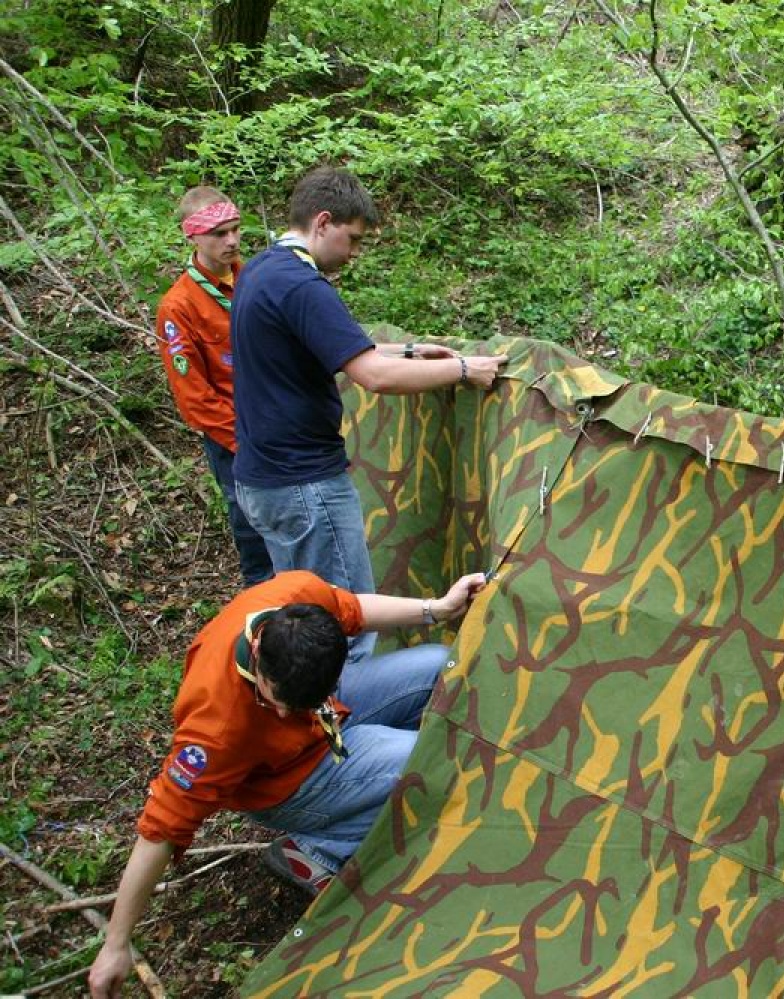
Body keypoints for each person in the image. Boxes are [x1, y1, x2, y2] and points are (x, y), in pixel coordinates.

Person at [86, 569, 487, 998]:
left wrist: (436, 609)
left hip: (327, 717)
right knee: (426, 761)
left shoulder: (297, 599)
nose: (280, 714)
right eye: (273, 700)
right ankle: (320, 850)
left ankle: (360, 795)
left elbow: (351, 608)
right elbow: (160, 830)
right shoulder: (217, 726)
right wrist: (116, 942)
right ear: (258, 652)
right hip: (286, 781)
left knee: (440, 666)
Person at [230, 166, 508, 596]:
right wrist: (466, 370)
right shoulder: (303, 287)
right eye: (353, 238)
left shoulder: (261, 270)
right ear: (322, 222)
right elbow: (373, 375)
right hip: (305, 485)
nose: (354, 252)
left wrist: (414, 352)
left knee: (302, 613)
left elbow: (335, 350)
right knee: (342, 624)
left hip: (264, 481)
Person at [155, 186, 272, 587]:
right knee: (253, 534)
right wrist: (248, 442)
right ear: (193, 236)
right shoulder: (179, 306)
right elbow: (194, 400)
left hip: (283, 424)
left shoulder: (256, 276)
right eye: (219, 233)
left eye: (236, 230)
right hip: (235, 440)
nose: (232, 241)